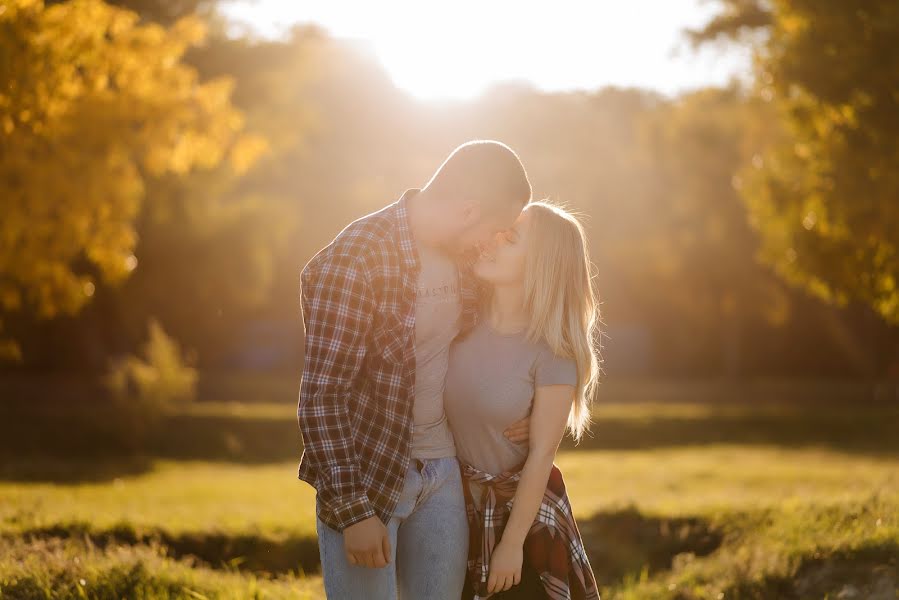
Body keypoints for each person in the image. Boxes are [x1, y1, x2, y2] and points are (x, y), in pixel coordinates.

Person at [297, 140, 533, 598]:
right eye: (495, 229)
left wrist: (527, 405)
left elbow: (505, 338)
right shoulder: (355, 258)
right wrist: (353, 511)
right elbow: (322, 398)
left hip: (444, 473)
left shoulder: (470, 265)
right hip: (368, 479)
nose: (494, 243)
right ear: (468, 211)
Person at [445, 201, 601, 599]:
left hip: (520, 524)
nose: (492, 241)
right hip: (449, 508)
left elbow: (541, 456)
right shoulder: (458, 317)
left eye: (509, 238)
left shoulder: (552, 350)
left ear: (540, 266)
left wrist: (511, 547)